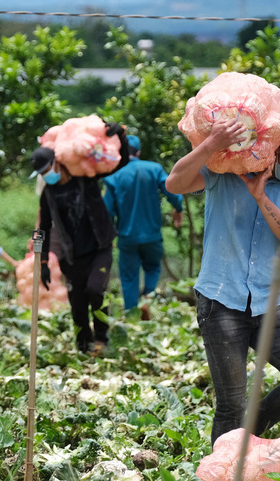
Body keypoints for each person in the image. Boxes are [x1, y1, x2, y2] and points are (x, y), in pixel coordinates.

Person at [165, 114, 280, 444]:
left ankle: (245, 436)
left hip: (269, 301)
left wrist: (262, 198)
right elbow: (174, 184)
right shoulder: (227, 172)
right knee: (230, 403)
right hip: (220, 301)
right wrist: (211, 145)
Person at [30, 122, 129, 356]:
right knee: (77, 304)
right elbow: (43, 226)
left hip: (99, 247)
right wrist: (43, 262)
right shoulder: (48, 194)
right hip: (72, 255)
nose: (47, 176)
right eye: (42, 174)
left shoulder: (85, 178)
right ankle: (83, 346)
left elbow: (120, 163)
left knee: (96, 290)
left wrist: (122, 137)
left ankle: (102, 338)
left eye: (47, 170)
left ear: (57, 163)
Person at [102, 134, 184, 319]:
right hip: (152, 235)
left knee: (129, 277)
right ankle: (147, 298)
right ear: (138, 152)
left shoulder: (114, 176)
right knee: (152, 268)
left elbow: (107, 211)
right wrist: (178, 208)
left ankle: (131, 316)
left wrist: (110, 236)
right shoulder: (153, 169)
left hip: (127, 237)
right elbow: (171, 189)